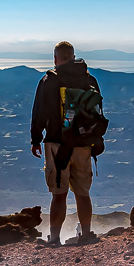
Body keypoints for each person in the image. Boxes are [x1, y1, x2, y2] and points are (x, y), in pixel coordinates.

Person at [30, 41, 102, 245]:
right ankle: (86, 234)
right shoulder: (89, 79)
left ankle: (54, 239)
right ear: (73, 56)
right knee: (83, 193)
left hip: (57, 145)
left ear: (55, 58)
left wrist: (35, 139)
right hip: (83, 145)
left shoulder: (49, 80)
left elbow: (39, 113)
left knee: (59, 195)